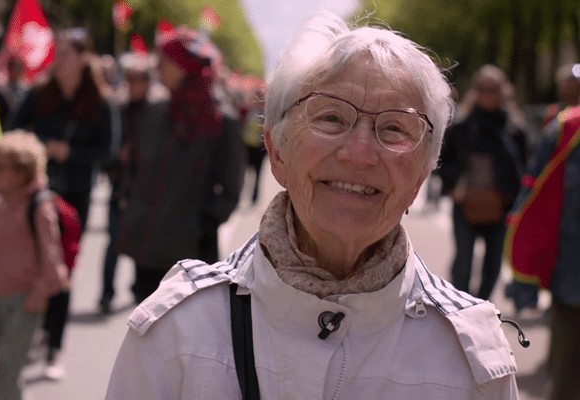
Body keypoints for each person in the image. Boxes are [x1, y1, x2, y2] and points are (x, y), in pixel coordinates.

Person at [106, 13, 520, 399]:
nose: (359, 153)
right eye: (331, 118)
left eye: (394, 128)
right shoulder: (175, 331)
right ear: (277, 150)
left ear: (421, 174)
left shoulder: (476, 364)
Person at [115, 26, 245, 303]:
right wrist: (129, 200)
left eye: (164, 60)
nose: (156, 67)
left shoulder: (222, 122)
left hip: (189, 256)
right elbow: (136, 166)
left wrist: (202, 225)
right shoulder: (156, 110)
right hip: (147, 248)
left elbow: (231, 189)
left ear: (185, 66)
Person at [12, 27, 114, 379]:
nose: (60, 60)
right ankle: (30, 333)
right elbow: (14, 131)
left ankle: (55, 347)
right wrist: (41, 146)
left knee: (61, 270)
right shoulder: (39, 93)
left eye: (67, 54)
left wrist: (70, 152)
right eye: (58, 53)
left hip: (73, 200)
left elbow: (107, 151)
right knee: (31, 266)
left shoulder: (100, 102)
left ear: (84, 59)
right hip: (35, 195)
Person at [0, 130, 68, 400]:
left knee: (7, 367)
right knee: (7, 364)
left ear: (21, 174)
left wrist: (39, 295)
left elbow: (53, 259)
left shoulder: (39, 207)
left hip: (25, 299)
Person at [504, 105, 580, 399]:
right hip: (572, 288)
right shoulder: (568, 129)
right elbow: (534, 199)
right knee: (567, 382)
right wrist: (525, 283)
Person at [438, 64, 528, 301]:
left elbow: (526, 168)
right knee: (463, 266)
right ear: (476, 91)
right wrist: (452, 189)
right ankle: (459, 311)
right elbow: (441, 161)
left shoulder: (514, 129)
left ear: (504, 91)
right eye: (483, 88)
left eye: (494, 88)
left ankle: (483, 311)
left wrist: (514, 199)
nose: (488, 93)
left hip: (501, 208)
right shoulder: (461, 127)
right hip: (465, 204)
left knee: (493, 268)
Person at [98, 52, 152, 314]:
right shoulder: (118, 109)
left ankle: (136, 288)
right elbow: (106, 146)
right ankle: (106, 293)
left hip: (144, 190)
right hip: (120, 187)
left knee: (140, 242)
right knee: (114, 242)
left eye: (139, 79)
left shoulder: (155, 113)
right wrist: (113, 166)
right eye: (130, 78)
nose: (133, 84)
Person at [542, 63, 580, 129]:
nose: (569, 89)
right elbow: (546, 135)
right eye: (566, 86)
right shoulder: (552, 112)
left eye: (572, 85)